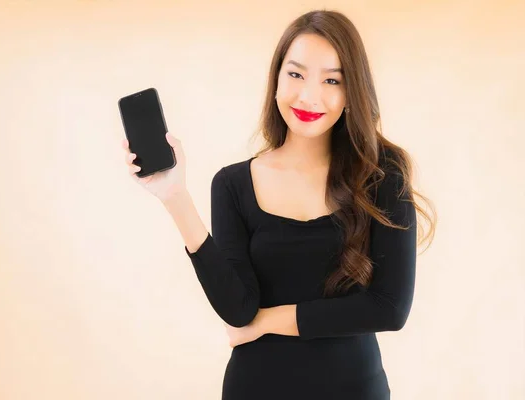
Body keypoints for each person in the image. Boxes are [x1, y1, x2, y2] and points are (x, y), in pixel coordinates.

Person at [122, 8, 436, 400]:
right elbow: (238, 310)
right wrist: (175, 197)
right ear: (275, 80)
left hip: (355, 390)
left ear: (352, 91)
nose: (309, 95)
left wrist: (268, 321)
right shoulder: (233, 183)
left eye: (332, 80)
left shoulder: (383, 175)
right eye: (296, 74)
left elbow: (389, 308)